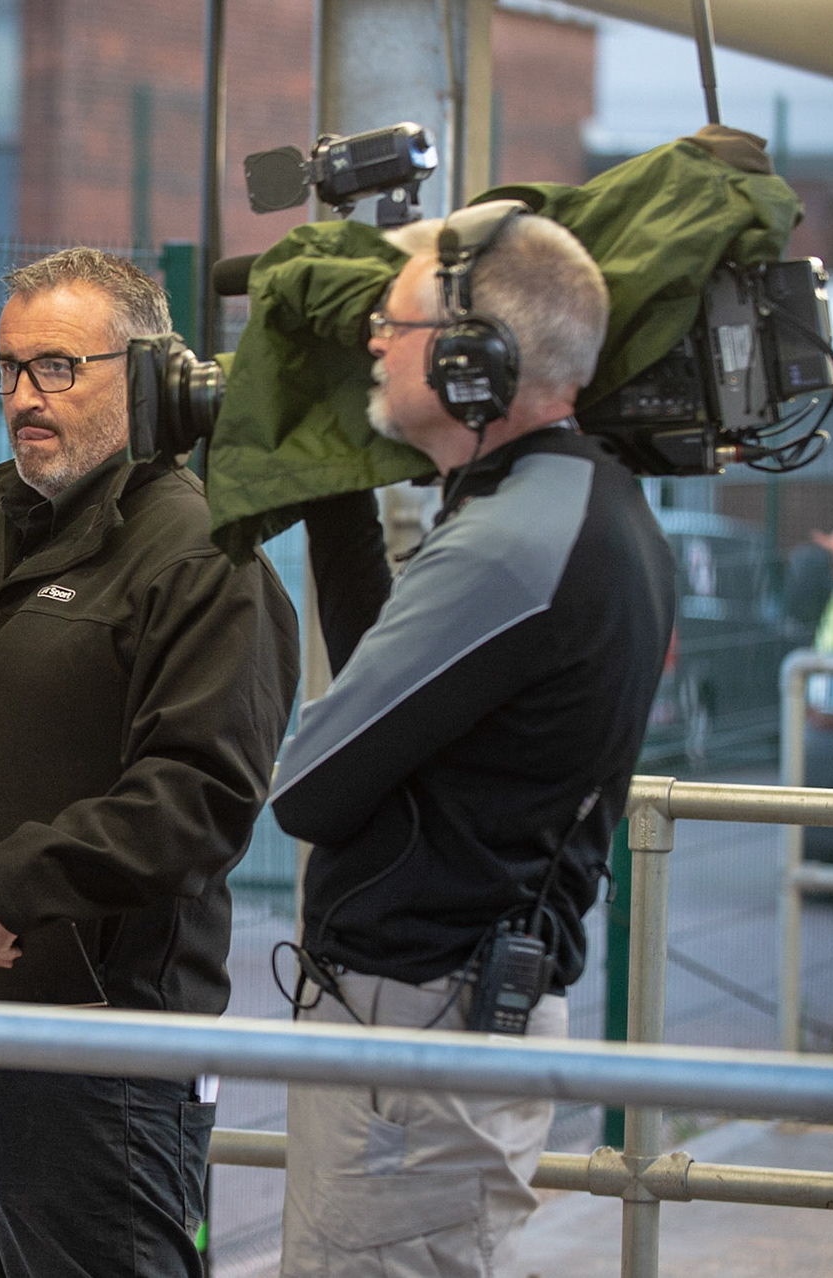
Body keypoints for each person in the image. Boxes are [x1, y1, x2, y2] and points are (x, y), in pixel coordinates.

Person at [0, 247, 300, 1277]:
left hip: (102, 1070)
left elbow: (200, 797)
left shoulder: (203, 562)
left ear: (143, 377)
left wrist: (10, 889)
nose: (24, 397)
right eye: (8, 371)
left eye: (58, 366)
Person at [269, 207, 676, 1276]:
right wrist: (336, 490)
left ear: (473, 362)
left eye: (391, 325)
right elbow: (394, 683)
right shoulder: (573, 500)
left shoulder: (507, 548)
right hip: (453, 1021)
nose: (368, 343)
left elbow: (307, 790)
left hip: (420, 1046)